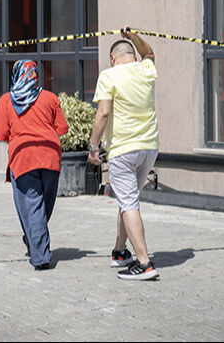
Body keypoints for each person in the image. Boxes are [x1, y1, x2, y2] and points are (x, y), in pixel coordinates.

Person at [88, 27, 160, 281]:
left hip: (123, 150)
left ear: (113, 57)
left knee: (129, 203)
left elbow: (103, 113)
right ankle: (120, 252)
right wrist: (134, 36)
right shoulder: (146, 69)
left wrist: (93, 146)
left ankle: (144, 263)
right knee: (128, 199)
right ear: (133, 55)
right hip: (149, 147)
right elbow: (149, 53)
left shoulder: (109, 75)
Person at [0, 60, 68, 270]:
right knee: (43, 206)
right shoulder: (50, 98)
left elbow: (2, 133)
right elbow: (61, 128)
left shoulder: (6, 100)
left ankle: (41, 256)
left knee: (32, 205)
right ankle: (34, 239)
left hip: (23, 158)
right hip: (50, 157)